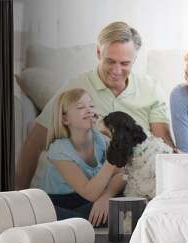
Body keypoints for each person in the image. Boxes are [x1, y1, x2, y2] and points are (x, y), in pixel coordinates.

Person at [15, 21, 174, 190]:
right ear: (99, 53)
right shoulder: (75, 88)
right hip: (94, 184)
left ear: (134, 59)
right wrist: (19, 195)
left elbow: (164, 148)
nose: (117, 71)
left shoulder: (151, 89)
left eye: (124, 63)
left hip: (138, 181)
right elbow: (35, 141)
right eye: (110, 61)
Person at [43, 88, 128, 226]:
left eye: (92, 106)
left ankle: (90, 220)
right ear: (65, 119)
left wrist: (107, 196)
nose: (89, 110)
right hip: (59, 203)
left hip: (88, 200)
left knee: (127, 200)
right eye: (80, 107)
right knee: (119, 213)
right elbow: (90, 193)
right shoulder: (59, 149)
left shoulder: (99, 140)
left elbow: (124, 174)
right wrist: (112, 158)